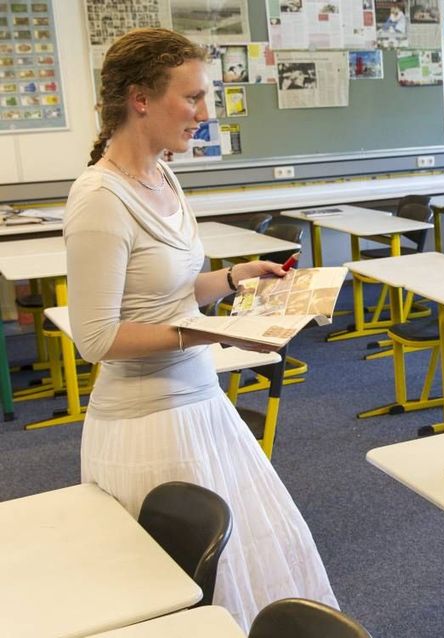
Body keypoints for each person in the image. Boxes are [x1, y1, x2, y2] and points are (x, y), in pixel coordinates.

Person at [63, 28, 337, 629]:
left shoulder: (163, 176)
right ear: (140, 98)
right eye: (192, 99)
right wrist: (213, 335)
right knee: (179, 597)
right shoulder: (99, 199)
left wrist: (236, 279)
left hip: (199, 407)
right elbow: (97, 338)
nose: (205, 114)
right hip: (146, 427)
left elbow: (168, 292)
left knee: (249, 563)